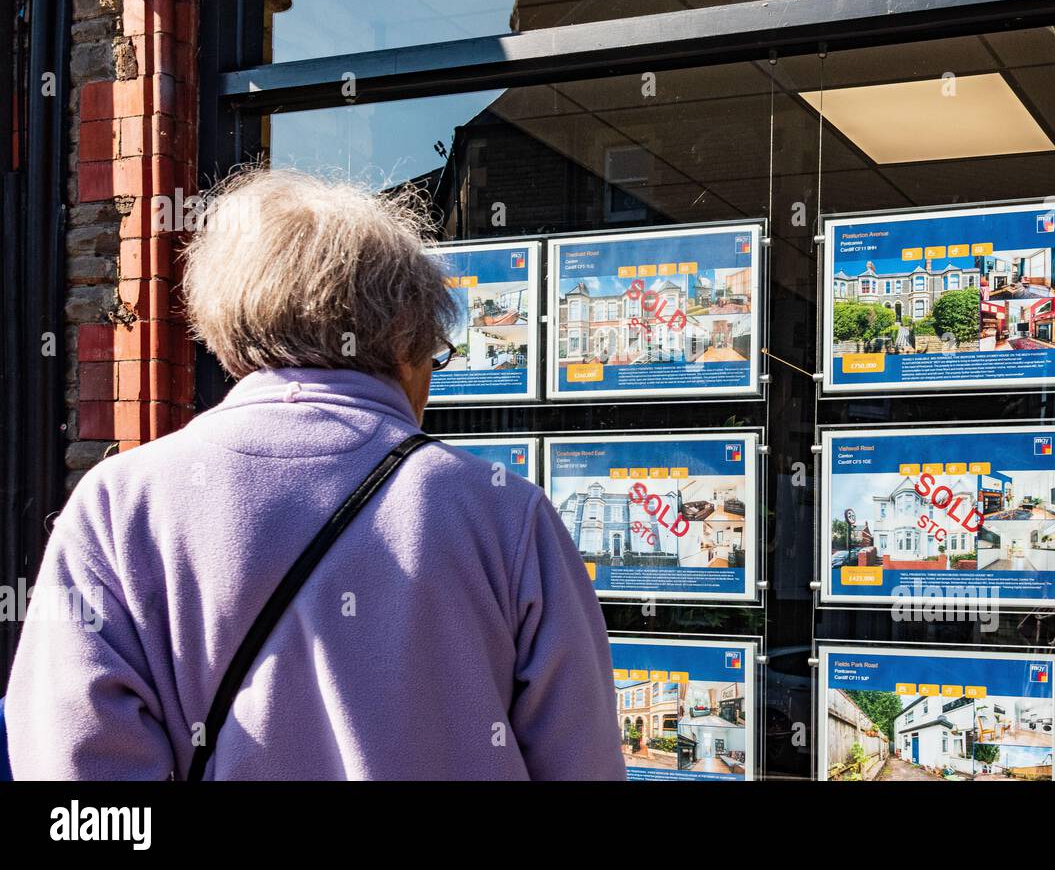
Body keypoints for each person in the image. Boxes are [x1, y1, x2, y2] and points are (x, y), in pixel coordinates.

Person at [6, 169, 626, 780]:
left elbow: (76, 779)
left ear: (229, 336)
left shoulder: (120, 505)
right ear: (407, 346)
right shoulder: (505, 515)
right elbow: (584, 763)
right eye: (437, 355)